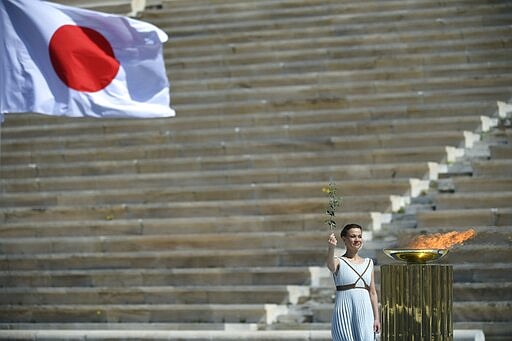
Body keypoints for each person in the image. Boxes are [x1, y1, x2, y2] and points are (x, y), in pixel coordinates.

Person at [326, 223, 381, 341]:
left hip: (365, 312)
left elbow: (372, 292)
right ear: (344, 239)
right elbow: (331, 266)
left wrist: (376, 318)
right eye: (353, 236)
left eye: (359, 236)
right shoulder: (339, 261)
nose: (357, 240)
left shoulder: (369, 263)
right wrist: (331, 248)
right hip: (344, 311)